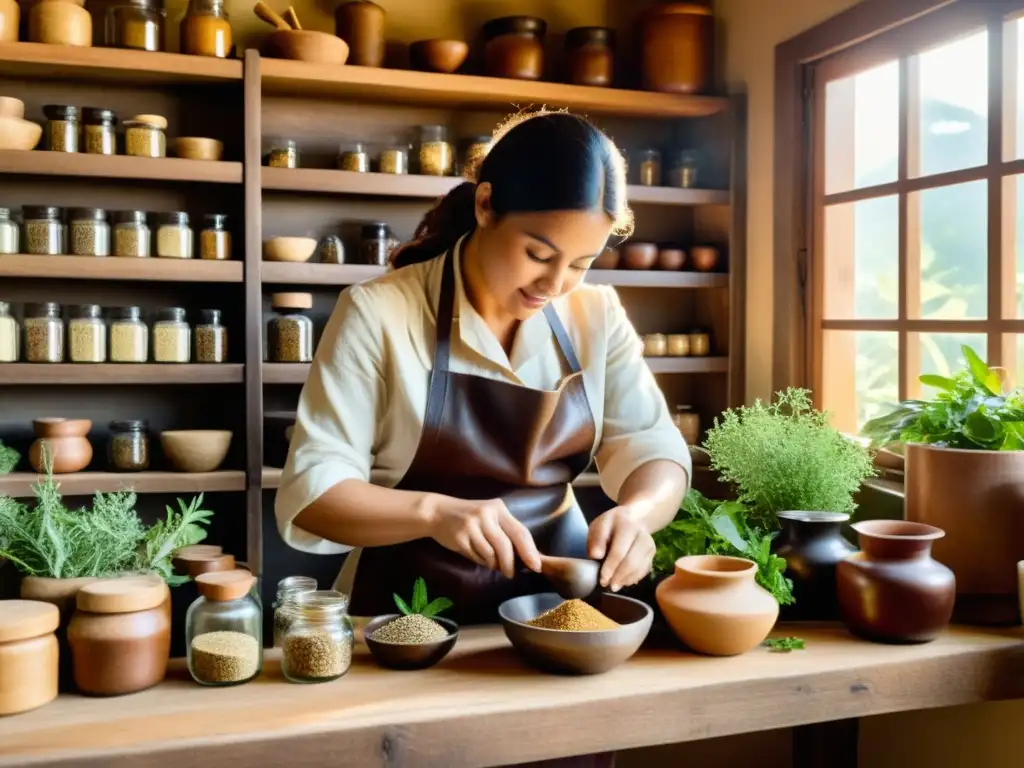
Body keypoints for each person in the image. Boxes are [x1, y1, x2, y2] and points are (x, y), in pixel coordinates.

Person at [275, 110, 691, 627]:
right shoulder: (378, 312)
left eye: (582, 264)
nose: (556, 284)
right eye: (539, 253)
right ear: (486, 204)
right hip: (405, 619)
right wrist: (435, 513)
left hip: (558, 612)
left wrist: (638, 515)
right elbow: (314, 493)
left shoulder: (596, 314)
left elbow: (654, 447)